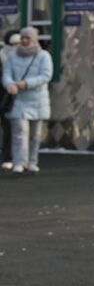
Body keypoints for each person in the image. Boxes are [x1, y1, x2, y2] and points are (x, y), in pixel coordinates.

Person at [3, 27, 52, 175]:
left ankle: (32, 162)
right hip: (18, 99)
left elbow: (46, 75)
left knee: (35, 135)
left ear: (34, 40)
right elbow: (6, 74)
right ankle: (19, 162)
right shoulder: (12, 56)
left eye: (27, 38)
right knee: (19, 132)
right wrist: (9, 84)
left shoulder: (43, 56)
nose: (24, 41)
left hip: (38, 100)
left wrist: (26, 83)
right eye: (22, 38)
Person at [0, 31, 18, 171]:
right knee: (8, 127)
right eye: (14, 44)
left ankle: (9, 157)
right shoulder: (3, 55)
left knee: (11, 127)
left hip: (13, 97)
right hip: (4, 96)